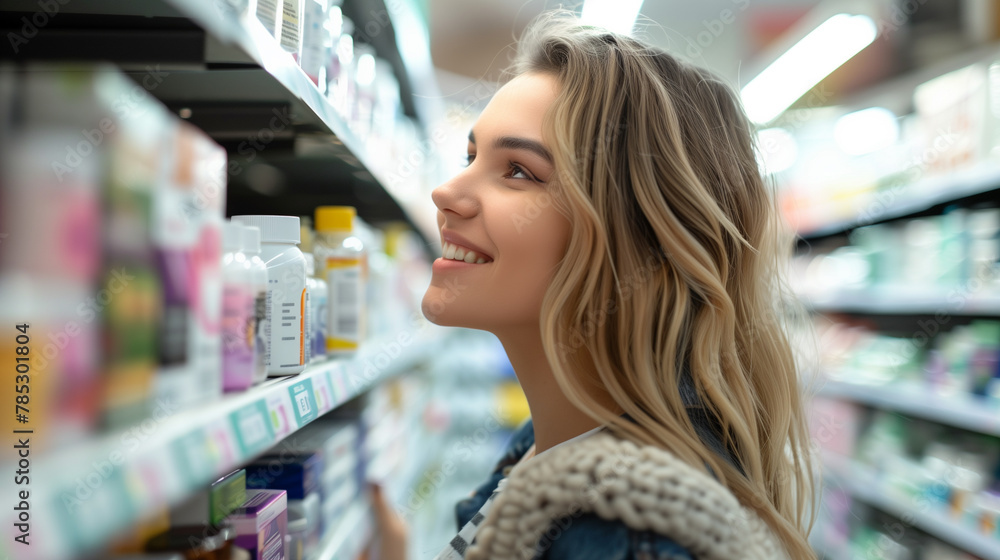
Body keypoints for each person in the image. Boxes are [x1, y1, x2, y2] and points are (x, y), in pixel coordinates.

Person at [373, 10, 816, 560]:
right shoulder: (545, 449)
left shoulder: (624, 531)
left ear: (646, 242)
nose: (446, 192)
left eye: (518, 171)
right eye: (470, 156)